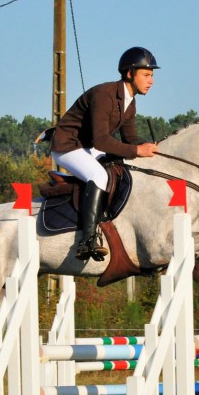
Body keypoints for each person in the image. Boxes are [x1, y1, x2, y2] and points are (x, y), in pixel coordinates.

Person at [50, 47, 160, 261]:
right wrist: (137, 150)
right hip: (67, 146)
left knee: (119, 168)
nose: (151, 80)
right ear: (130, 73)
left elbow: (129, 140)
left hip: (88, 146)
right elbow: (103, 140)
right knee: (99, 176)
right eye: (146, 75)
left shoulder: (130, 101)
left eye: (152, 76)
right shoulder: (104, 95)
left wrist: (152, 148)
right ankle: (87, 240)